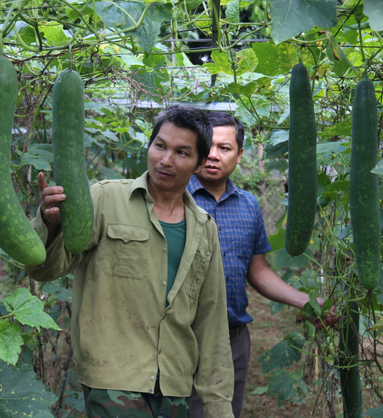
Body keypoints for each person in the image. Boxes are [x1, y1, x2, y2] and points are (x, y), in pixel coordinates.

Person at [27, 105, 234, 418]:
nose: (166, 160)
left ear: (199, 163)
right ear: (149, 146)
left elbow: (212, 320)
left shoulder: (204, 228)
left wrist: (218, 406)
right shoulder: (103, 199)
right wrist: (49, 223)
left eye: (181, 152)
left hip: (174, 384)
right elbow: (46, 269)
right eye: (160, 146)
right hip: (113, 379)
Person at [186, 112, 336, 418]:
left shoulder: (249, 205)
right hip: (180, 335)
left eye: (225, 148)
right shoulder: (173, 196)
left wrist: (307, 302)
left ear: (240, 155)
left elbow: (258, 270)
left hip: (232, 337)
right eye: (207, 145)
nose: (213, 155)